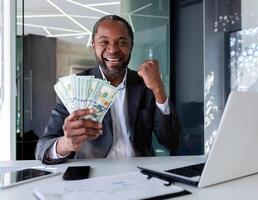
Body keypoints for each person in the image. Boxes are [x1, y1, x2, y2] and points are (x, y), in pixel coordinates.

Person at [35, 15, 182, 164]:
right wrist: (66, 144)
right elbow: (42, 149)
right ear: (93, 45)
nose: (113, 50)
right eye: (104, 42)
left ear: (131, 45)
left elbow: (172, 142)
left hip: (140, 174)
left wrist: (158, 89)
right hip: (93, 177)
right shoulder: (74, 87)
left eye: (122, 42)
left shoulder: (146, 84)